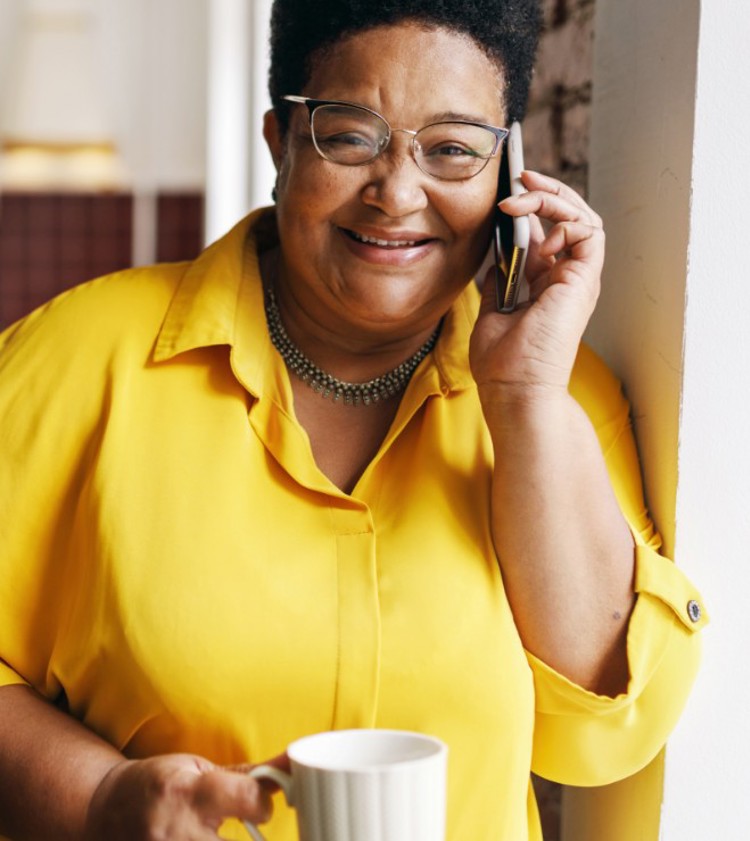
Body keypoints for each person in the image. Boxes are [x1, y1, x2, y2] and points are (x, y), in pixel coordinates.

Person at [0, 0, 707, 839]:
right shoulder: (73, 358)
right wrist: (96, 798)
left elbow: (603, 734)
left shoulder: (558, 399)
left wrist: (523, 403)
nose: (397, 192)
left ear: (509, 173)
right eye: (349, 134)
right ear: (280, 145)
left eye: (452, 149)